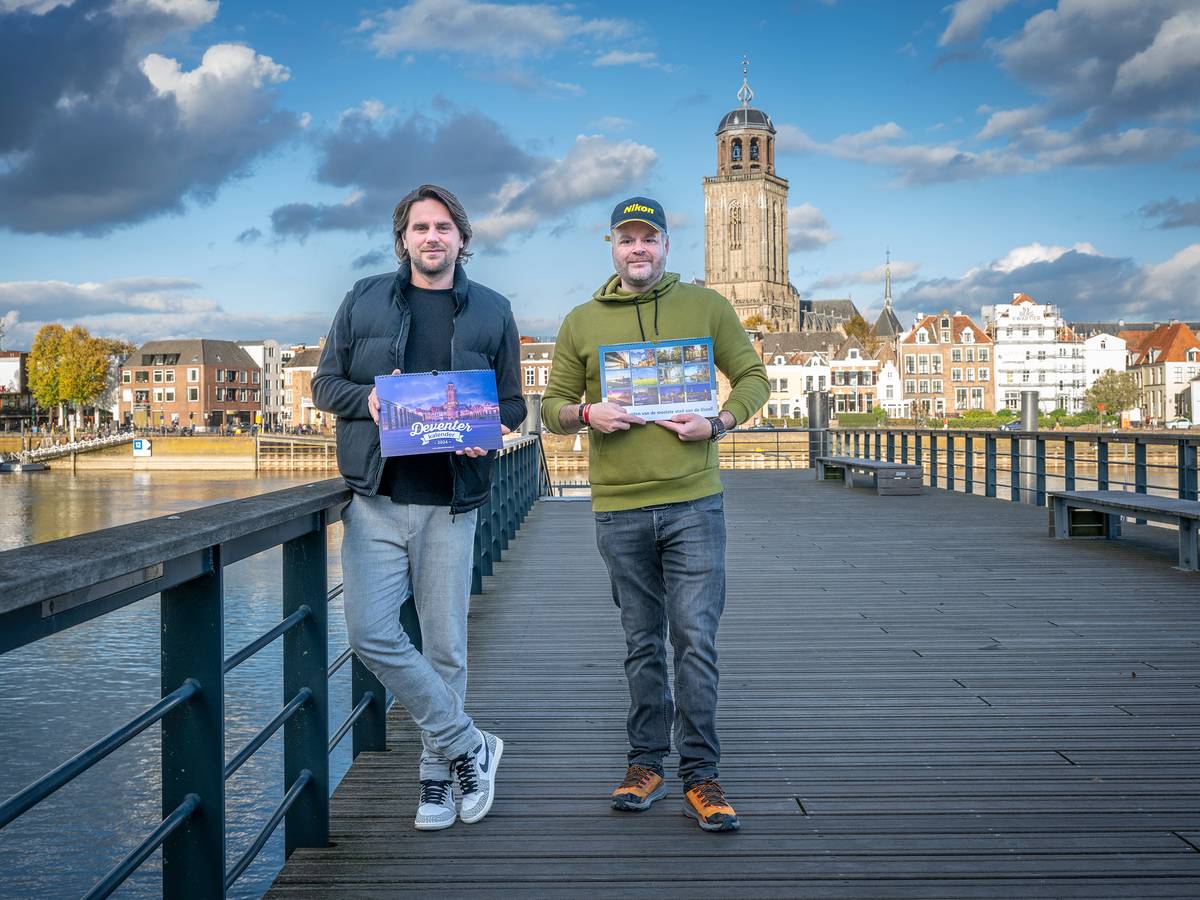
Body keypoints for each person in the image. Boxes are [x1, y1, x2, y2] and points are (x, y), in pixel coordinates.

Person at [541, 196, 769, 832]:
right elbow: (550, 406)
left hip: (695, 501)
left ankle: (702, 776)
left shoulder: (706, 307)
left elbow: (753, 377)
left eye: (649, 238)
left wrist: (719, 422)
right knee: (642, 643)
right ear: (611, 247)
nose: (637, 249)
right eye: (627, 239)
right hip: (618, 508)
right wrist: (586, 414)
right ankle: (646, 763)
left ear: (667, 245)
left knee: (694, 639)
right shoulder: (581, 321)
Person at [313, 183, 526, 831]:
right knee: (369, 632)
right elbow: (327, 383)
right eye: (418, 227)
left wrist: (483, 429)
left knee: (445, 647)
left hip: (452, 504)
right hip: (376, 497)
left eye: (443, 228)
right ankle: (468, 744)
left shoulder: (493, 309)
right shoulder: (364, 298)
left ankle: (437, 777)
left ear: (462, 238)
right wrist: (369, 402)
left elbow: (514, 404)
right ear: (402, 238)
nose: (431, 238)